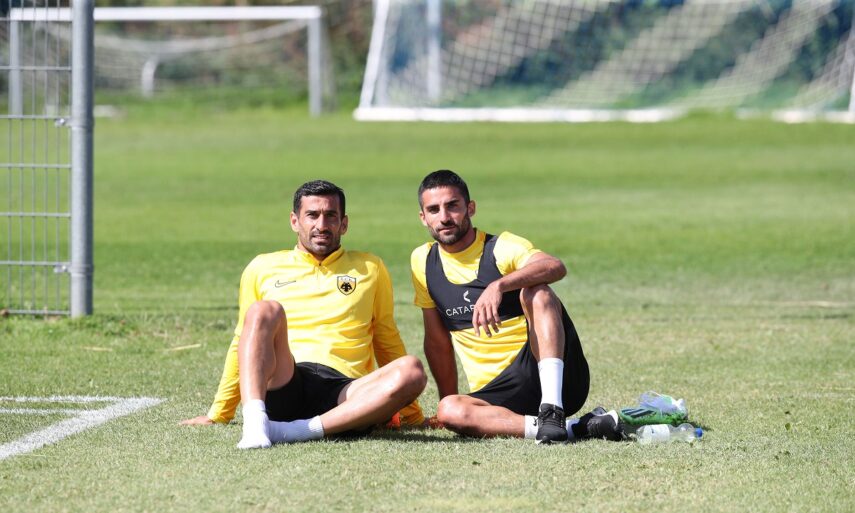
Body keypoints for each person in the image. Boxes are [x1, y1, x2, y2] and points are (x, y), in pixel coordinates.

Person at [182, 180, 426, 448]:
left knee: (412, 370)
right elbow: (243, 340)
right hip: (285, 378)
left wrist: (413, 415)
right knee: (264, 310)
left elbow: (385, 336)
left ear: (344, 223)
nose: (321, 225)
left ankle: (295, 431)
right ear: (294, 221)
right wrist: (219, 414)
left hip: (346, 392)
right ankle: (255, 425)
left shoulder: (370, 267)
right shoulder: (263, 267)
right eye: (312, 215)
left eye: (330, 216)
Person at [411, 170, 620, 444]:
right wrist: (446, 400)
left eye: (453, 206)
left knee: (538, 291)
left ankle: (552, 409)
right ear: (423, 217)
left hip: (551, 378)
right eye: (434, 210)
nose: (445, 217)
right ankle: (575, 428)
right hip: (496, 395)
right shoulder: (423, 261)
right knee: (450, 409)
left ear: (470, 208)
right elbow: (437, 340)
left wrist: (499, 285)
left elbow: (554, 266)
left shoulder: (500, 248)